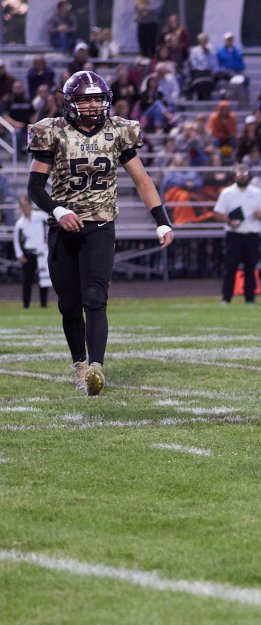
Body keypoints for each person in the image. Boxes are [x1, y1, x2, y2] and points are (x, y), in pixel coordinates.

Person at [26, 71, 175, 396]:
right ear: (71, 102)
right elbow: (34, 187)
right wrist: (58, 210)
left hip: (101, 225)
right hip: (63, 226)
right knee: (68, 304)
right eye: (86, 99)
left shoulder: (118, 131)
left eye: (97, 98)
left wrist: (161, 220)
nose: (93, 105)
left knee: (95, 296)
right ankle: (79, 362)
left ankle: (96, 367)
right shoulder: (51, 131)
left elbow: (142, 180)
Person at [211, 164, 261, 304]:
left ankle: (250, 298)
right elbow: (217, 213)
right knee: (230, 266)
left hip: (252, 233)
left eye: (244, 173)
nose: (242, 176)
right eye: (239, 173)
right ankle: (226, 298)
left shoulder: (256, 192)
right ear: (234, 175)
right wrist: (229, 221)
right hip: (234, 234)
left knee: (251, 266)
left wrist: (260, 214)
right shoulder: (227, 193)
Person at [14, 196, 52, 309]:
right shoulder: (20, 224)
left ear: (30, 205)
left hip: (41, 252)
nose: (24, 208)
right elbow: (17, 240)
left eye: (26, 205)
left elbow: (52, 224)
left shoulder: (40, 217)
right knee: (27, 280)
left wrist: (49, 239)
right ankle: (26, 304)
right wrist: (19, 255)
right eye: (22, 206)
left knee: (43, 279)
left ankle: (44, 304)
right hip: (28, 254)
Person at [187, 33, 218, 100]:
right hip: (198, 73)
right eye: (202, 40)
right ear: (199, 41)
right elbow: (194, 64)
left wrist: (214, 71)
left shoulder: (212, 51)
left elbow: (215, 64)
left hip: (210, 73)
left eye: (205, 40)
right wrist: (203, 70)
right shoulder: (194, 51)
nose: (204, 42)